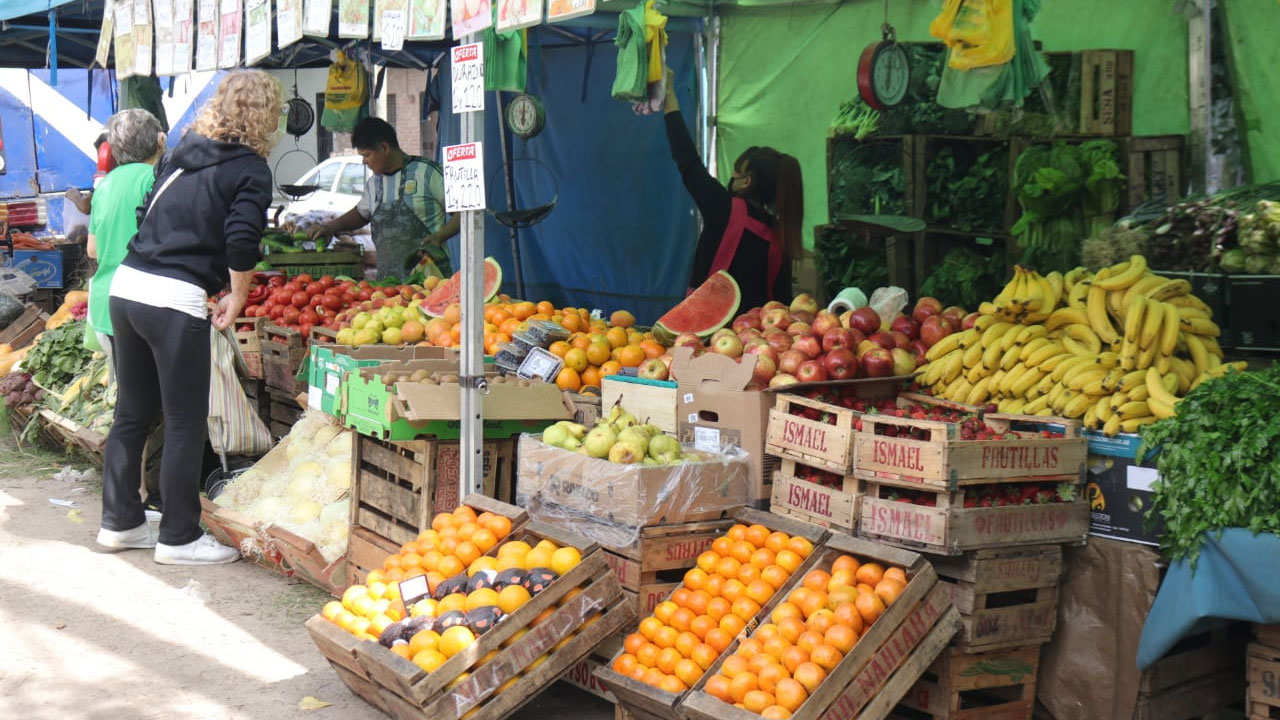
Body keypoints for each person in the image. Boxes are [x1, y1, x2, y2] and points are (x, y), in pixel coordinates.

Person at [97, 70, 282, 565]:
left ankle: (120, 522)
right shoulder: (250, 169)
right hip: (174, 301)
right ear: (268, 116)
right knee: (184, 421)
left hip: (127, 289)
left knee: (131, 414)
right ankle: (178, 536)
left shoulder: (181, 153)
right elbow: (242, 240)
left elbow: (144, 215)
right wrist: (236, 296)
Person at [662, 75, 804, 312]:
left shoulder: (725, 208)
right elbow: (782, 305)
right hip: (754, 342)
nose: (732, 176)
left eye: (737, 171)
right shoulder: (781, 236)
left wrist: (669, 95)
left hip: (706, 338)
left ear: (746, 182)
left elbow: (687, 160)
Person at [306, 117, 459, 279]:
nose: (364, 162)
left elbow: (463, 213)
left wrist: (440, 236)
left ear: (384, 147)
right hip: (388, 284)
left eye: (367, 155)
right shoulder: (373, 184)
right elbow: (360, 214)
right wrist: (329, 227)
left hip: (431, 281)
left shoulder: (427, 173)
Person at [86, 109, 166, 366]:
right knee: (155, 397)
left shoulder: (105, 186)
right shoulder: (156, 180)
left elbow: (93, 250)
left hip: (107, 304)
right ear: (159, 140)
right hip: (146, 303)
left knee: (130, 395)